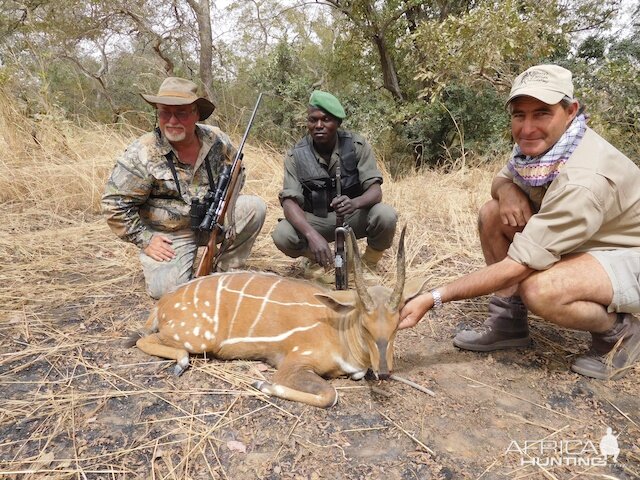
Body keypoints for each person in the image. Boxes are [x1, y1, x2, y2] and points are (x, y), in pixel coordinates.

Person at [399, 64, 640, 381]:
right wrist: (508, 190)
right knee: (492, 213)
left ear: (571, 111)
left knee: (540, 288)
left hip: (626, 254)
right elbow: (501, 179)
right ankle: (508, 322)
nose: (527, 128)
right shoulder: (537, 150)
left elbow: (519, 265)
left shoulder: (583, 179)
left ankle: (621, 334)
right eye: (519, 115)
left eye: (541, 113)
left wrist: (434, 297)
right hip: (582, 243)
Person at [102, 77, 266, 299]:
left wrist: (222, 206)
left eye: (181, 113)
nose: (172, 121)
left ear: (196, 114)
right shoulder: (142, 152)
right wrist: (145, 239)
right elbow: (114, 204)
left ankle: (226, 271)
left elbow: (238, 174)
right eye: (164, 113)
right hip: (170, 233)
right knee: (169, 292)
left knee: (254, 207)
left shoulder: (217, 140)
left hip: (211, 219)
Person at [272, 90, 397, 282]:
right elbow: (289, 203)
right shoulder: (295, 155)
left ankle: (368, 264)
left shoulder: (357, 145)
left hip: (352, 216)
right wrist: (311, 235)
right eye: (313, 120)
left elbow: (375, 191)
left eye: (326, 120)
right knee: (282, 234)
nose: (319, 126)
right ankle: (317, 260)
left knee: (385, 215)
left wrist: (355, 203)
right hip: (316, 220)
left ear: (338, 123)